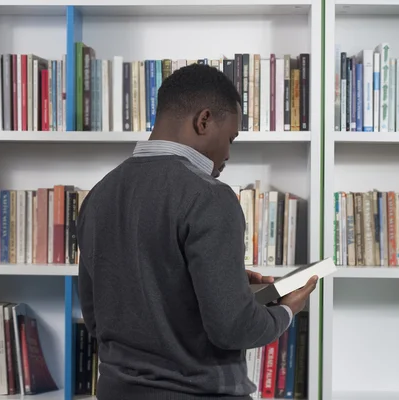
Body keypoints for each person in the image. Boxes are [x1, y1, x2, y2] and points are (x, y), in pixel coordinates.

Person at [77, 63, 318, 400]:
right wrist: (286, 311)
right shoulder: (209, 196)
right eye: (231, 137)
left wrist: (228, 281)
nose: (229, 153)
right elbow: (232, 327)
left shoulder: (98, 195)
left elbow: (98, 316)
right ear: (204, 121)